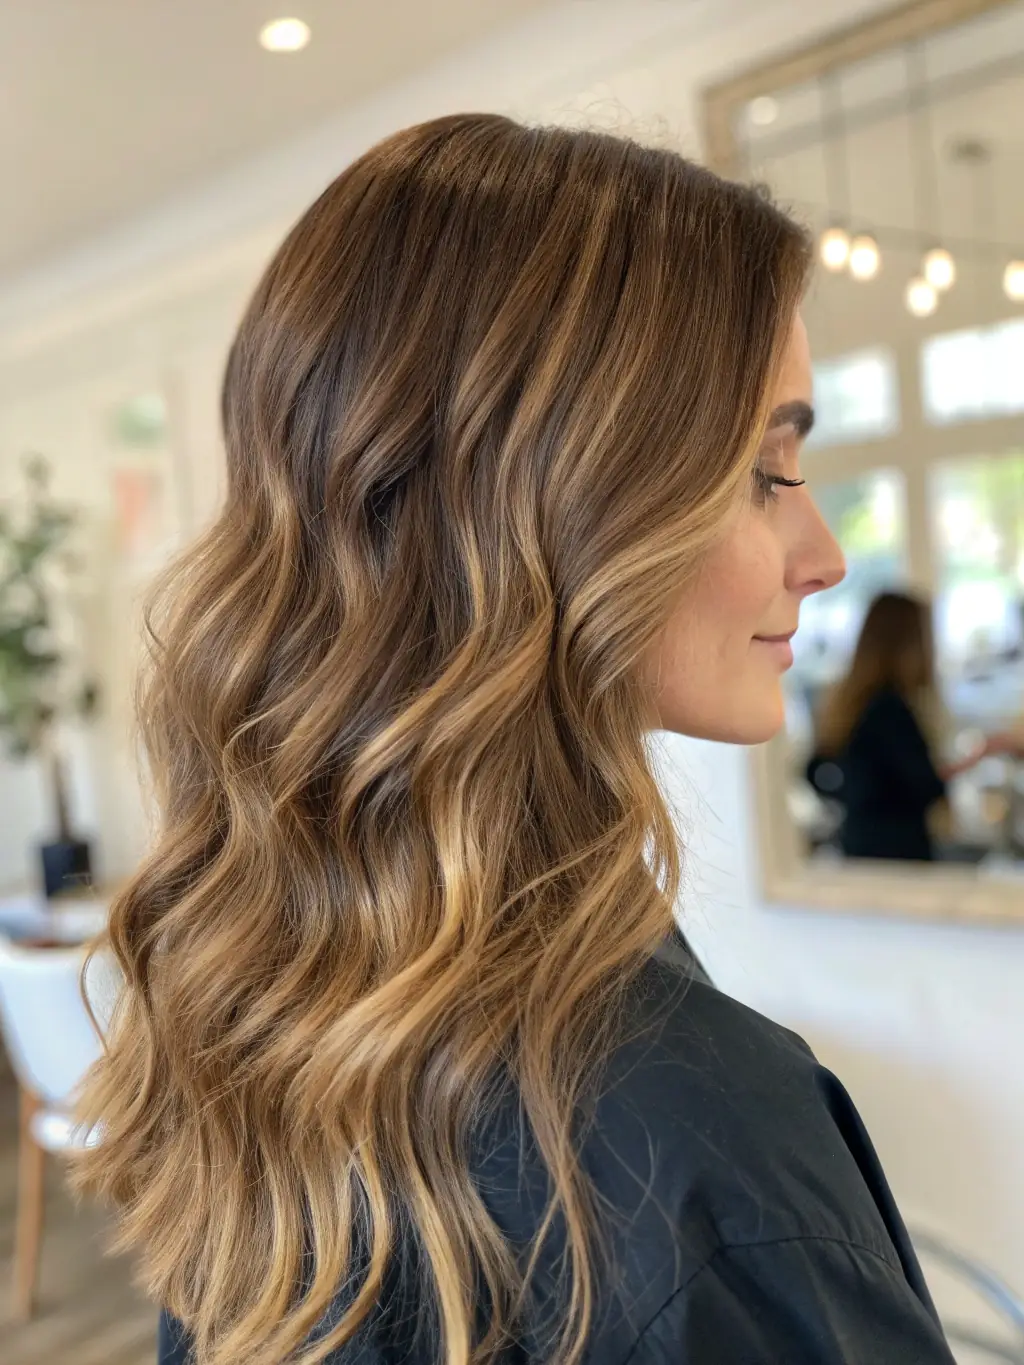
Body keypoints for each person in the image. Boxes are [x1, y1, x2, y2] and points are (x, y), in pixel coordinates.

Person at [73, 115, 958, 1365]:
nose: (824, 558)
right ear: (560, 506)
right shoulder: (692, 1134)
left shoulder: (270, 994)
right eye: (766, 473)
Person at [809, 591, 996, 861]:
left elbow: (814, 769)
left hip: (858, 841)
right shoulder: (891, 710)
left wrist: (855, 795)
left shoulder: (851, 703)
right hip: (897, 851)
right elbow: (923, 785)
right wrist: (969, 760)